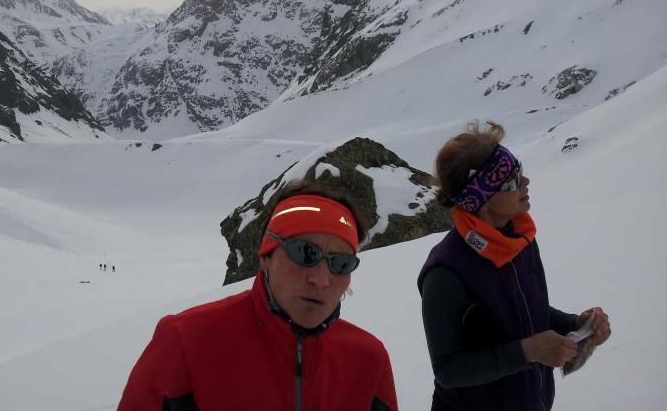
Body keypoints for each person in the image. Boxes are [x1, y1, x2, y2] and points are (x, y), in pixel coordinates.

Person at [117, 180, 398, 411]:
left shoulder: (369, 360)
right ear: (265, 256)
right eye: (304, 252)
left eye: (341, 263)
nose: (321, 280)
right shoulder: (186, 344)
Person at [418, 121, 611, 411]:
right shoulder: (445, 272)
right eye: (510, 181)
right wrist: (529, 351)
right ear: (480, 199)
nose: (525, 182)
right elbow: (448, 370)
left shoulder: (519, 240)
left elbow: (523, 312)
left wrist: (574, 325)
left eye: (518, 170)